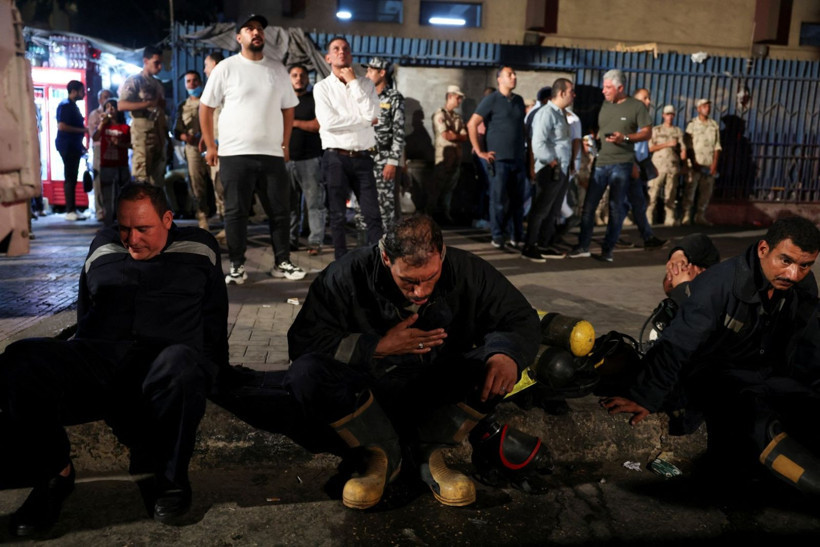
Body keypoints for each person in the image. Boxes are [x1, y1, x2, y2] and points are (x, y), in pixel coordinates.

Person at [0, 183, 228, 536]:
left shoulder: (199, 247)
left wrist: (219, 374)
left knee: (183, 363)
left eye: (143, 229)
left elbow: (214, 319)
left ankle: (168, 476)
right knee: (20, 356)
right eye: (124, 227)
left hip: (163, 369)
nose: (131, 239)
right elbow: (84, 306)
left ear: (167, 219)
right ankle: (55, 473)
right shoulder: (103, 246)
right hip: (100, 363)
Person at [283, 214, 540, 509]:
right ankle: (380, 454)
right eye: (409, 281)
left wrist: (504, 354)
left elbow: (519, 317)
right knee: (305, 373)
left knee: (494, 363)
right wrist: (375, 347)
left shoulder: (468, 270)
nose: (421, 292)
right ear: (385, 258)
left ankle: (428, 453)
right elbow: (303, 342)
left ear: (441, 255)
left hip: (434, 392)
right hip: (367, 395)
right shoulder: (346, 274)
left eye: (430, 278)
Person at [603, 216, 820, 496]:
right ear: (763, 249)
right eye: (786, 261)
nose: (793, 274)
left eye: (805, 265)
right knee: (755, 421)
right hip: (718, 379)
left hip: (767, 374)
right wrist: (646, 395)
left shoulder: (800, 286)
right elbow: (676, 345)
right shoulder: (717, 285)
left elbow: (810, 340)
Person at [200, 14, 305, 284]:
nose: (256, 32)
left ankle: (282, 262)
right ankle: (237, 266)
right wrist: (211, 145)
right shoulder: (226, 67)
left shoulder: (277, 68)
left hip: (271, 154)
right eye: (249, 29)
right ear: (239, 38)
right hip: (235, 153)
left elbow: (288, 108)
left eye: (259, 29)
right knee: (236, 212)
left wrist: (284, 142)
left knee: (280, 211)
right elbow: (206, 106)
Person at [568, 71, 664, 262]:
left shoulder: (636, 107)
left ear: (620, 88)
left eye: (608, 88)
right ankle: (583, 246)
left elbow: (646, 134)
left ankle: (608, 250)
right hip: (601, 162)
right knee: (588, 207)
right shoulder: (602, 105)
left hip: (622, 164)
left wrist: (625, 138)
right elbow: (594, 129)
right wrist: (591, 141)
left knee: (616, 208)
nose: (604, 91)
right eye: (603, 87)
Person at [313, 36, 383, 259]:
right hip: (336, 158)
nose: (341, 52)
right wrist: (362, 120)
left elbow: (373, 115)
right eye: (336, 49)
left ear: (350, 55)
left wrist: (353, 82)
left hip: (363, 157)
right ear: (328, 57)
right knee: (337, 215)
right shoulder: (322, 88)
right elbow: (329, 123)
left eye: (345, 48)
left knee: (372, 214)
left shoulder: (365, 84)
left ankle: (377, 260)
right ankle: (341, 261)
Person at [467, 67, 527, 249]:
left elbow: (522, 130)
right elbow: (472, 123)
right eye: (510, 75)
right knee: (498, 200)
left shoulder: (518, 101)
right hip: (498, 160)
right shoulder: (491, 100)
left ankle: (516, 235)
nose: (514, 77)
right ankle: (498, 236)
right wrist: (479, 151)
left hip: (517, 158)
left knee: (518, 201)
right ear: (499, 79)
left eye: (515, 74)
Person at [521, 78, 575, 262]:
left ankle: (544, 244)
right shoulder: (546, 113)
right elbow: (538, 143)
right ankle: (530, 245)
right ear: (561, 93)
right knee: (541, 209)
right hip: (549, 168)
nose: (573, 95)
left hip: (561, 168)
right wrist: (552, 162)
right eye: (571, 91)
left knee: (553, 210)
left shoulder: (561, 114)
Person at [355, 57, 405, 233]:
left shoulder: (394, 98)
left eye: (371, 70)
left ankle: (387, 249)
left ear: (382, 73)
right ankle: (364, 248)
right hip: (361, 157)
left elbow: (399, 132)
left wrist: (392, 161)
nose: (367, 74)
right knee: (361, 206)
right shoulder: (362, 96)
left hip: (383, 159)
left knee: (385, 207)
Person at [287, 64, 326, 256]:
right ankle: (290, 240)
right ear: (289, 78)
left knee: (314, 203)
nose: (298, 78)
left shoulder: (314, 101)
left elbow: (318, 125)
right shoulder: (283, 102)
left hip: (310, 160)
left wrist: (293, 123)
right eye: (294, 75)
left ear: (308, 79)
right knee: (289, 205)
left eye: (302, 75)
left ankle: (315, 241)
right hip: (286, 160)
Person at [117, 46, 167, 186]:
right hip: (143, 137)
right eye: (156, 62)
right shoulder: (135, 81)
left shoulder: (157, 84)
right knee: (142, 179)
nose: (160, 66)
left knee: (157, 180)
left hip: (158, 137)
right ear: (146, 61)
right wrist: (147, 104)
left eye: (161, 63)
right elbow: (121, 105)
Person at [174, 70, 212, 230]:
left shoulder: (209, 101)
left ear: (200, 82)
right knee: (196, 183)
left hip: (211, 146)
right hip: (193, 149)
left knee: (218, 182)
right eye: (188, 81)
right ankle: (202, 217)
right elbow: (175, 130)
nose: (192, 84)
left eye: (195, 80)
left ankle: (224, 217)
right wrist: (186, 137)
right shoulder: (182, 106)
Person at [429, 85, 467, 223]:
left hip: (456, 157)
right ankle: (430, 214)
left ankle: (445, 214)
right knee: (437, 187)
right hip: (443, 158)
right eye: (458, 97)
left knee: (449, 188)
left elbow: (464, 137)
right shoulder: (440, 114)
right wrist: (456, 135)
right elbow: (446, 135)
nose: (460, 101)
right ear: (450, 96)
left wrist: (454, 135)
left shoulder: (457, 117)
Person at [92, 99, 131, 227]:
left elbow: (132, 145)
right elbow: (95, 137)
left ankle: (122, 222)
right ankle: (108, 223)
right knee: (107, 195)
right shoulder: (104, 126)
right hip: (107, 164)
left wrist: (120, 144)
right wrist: (102, 123)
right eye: (107, 107)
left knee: (122, 195)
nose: (110, 109)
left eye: (112, 106)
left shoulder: (125, 127)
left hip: (121, 164)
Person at [683, 98, 722, 226]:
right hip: (695, 164)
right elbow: (688, 145)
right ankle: (686, 215)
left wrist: (714, 164)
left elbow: (717, 146)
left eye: (709, 106)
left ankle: (700, 216)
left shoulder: (714, 125)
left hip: (708, 164)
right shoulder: (692, 125)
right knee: (690, 190)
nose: (707, 108)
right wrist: (693, 162)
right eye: (704, 106)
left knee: (706, 192)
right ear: (698, 108)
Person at [55, 79, 89, 221]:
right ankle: (70, 210)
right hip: (67, 146)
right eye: (82, 91)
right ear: (74, 91)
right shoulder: (66, 106)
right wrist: (83, 130)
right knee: (70, 177)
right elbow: (62, 126)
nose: (84, 94)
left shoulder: (72, 106)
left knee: (73, 177)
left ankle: (73, 209)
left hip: (73, 146)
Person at [648, 105, 686, 226]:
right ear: (663, 115)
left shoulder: (677, 131)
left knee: (671, 193)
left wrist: (684, 160)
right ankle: (649, 215)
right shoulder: (656, 130)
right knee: (653, 192)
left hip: (672, 166)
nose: (669, 117)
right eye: (667, 114)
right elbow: (651, 148)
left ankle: (669, 217)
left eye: (671, 114)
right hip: (658, 166)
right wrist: (667, 144)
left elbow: (683, 149)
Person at [202, 51, 226, 225]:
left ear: (216, 66)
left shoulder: (225, 86)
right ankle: (224, 219)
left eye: (206, 65)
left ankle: (229, 225)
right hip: (215, 144)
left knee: (223, 185)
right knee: (216, 183)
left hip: (224, 146)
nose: (205, 70)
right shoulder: (214, 86)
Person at [88, 88, 113, 221]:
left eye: (109, 97)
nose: (107, 99)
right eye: (104, 97)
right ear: (99, 100)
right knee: (98, 180)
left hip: (112, 148)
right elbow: (94, 136)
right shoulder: (95, 114)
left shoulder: (115, 114)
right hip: (99, 149)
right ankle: (100, 211)